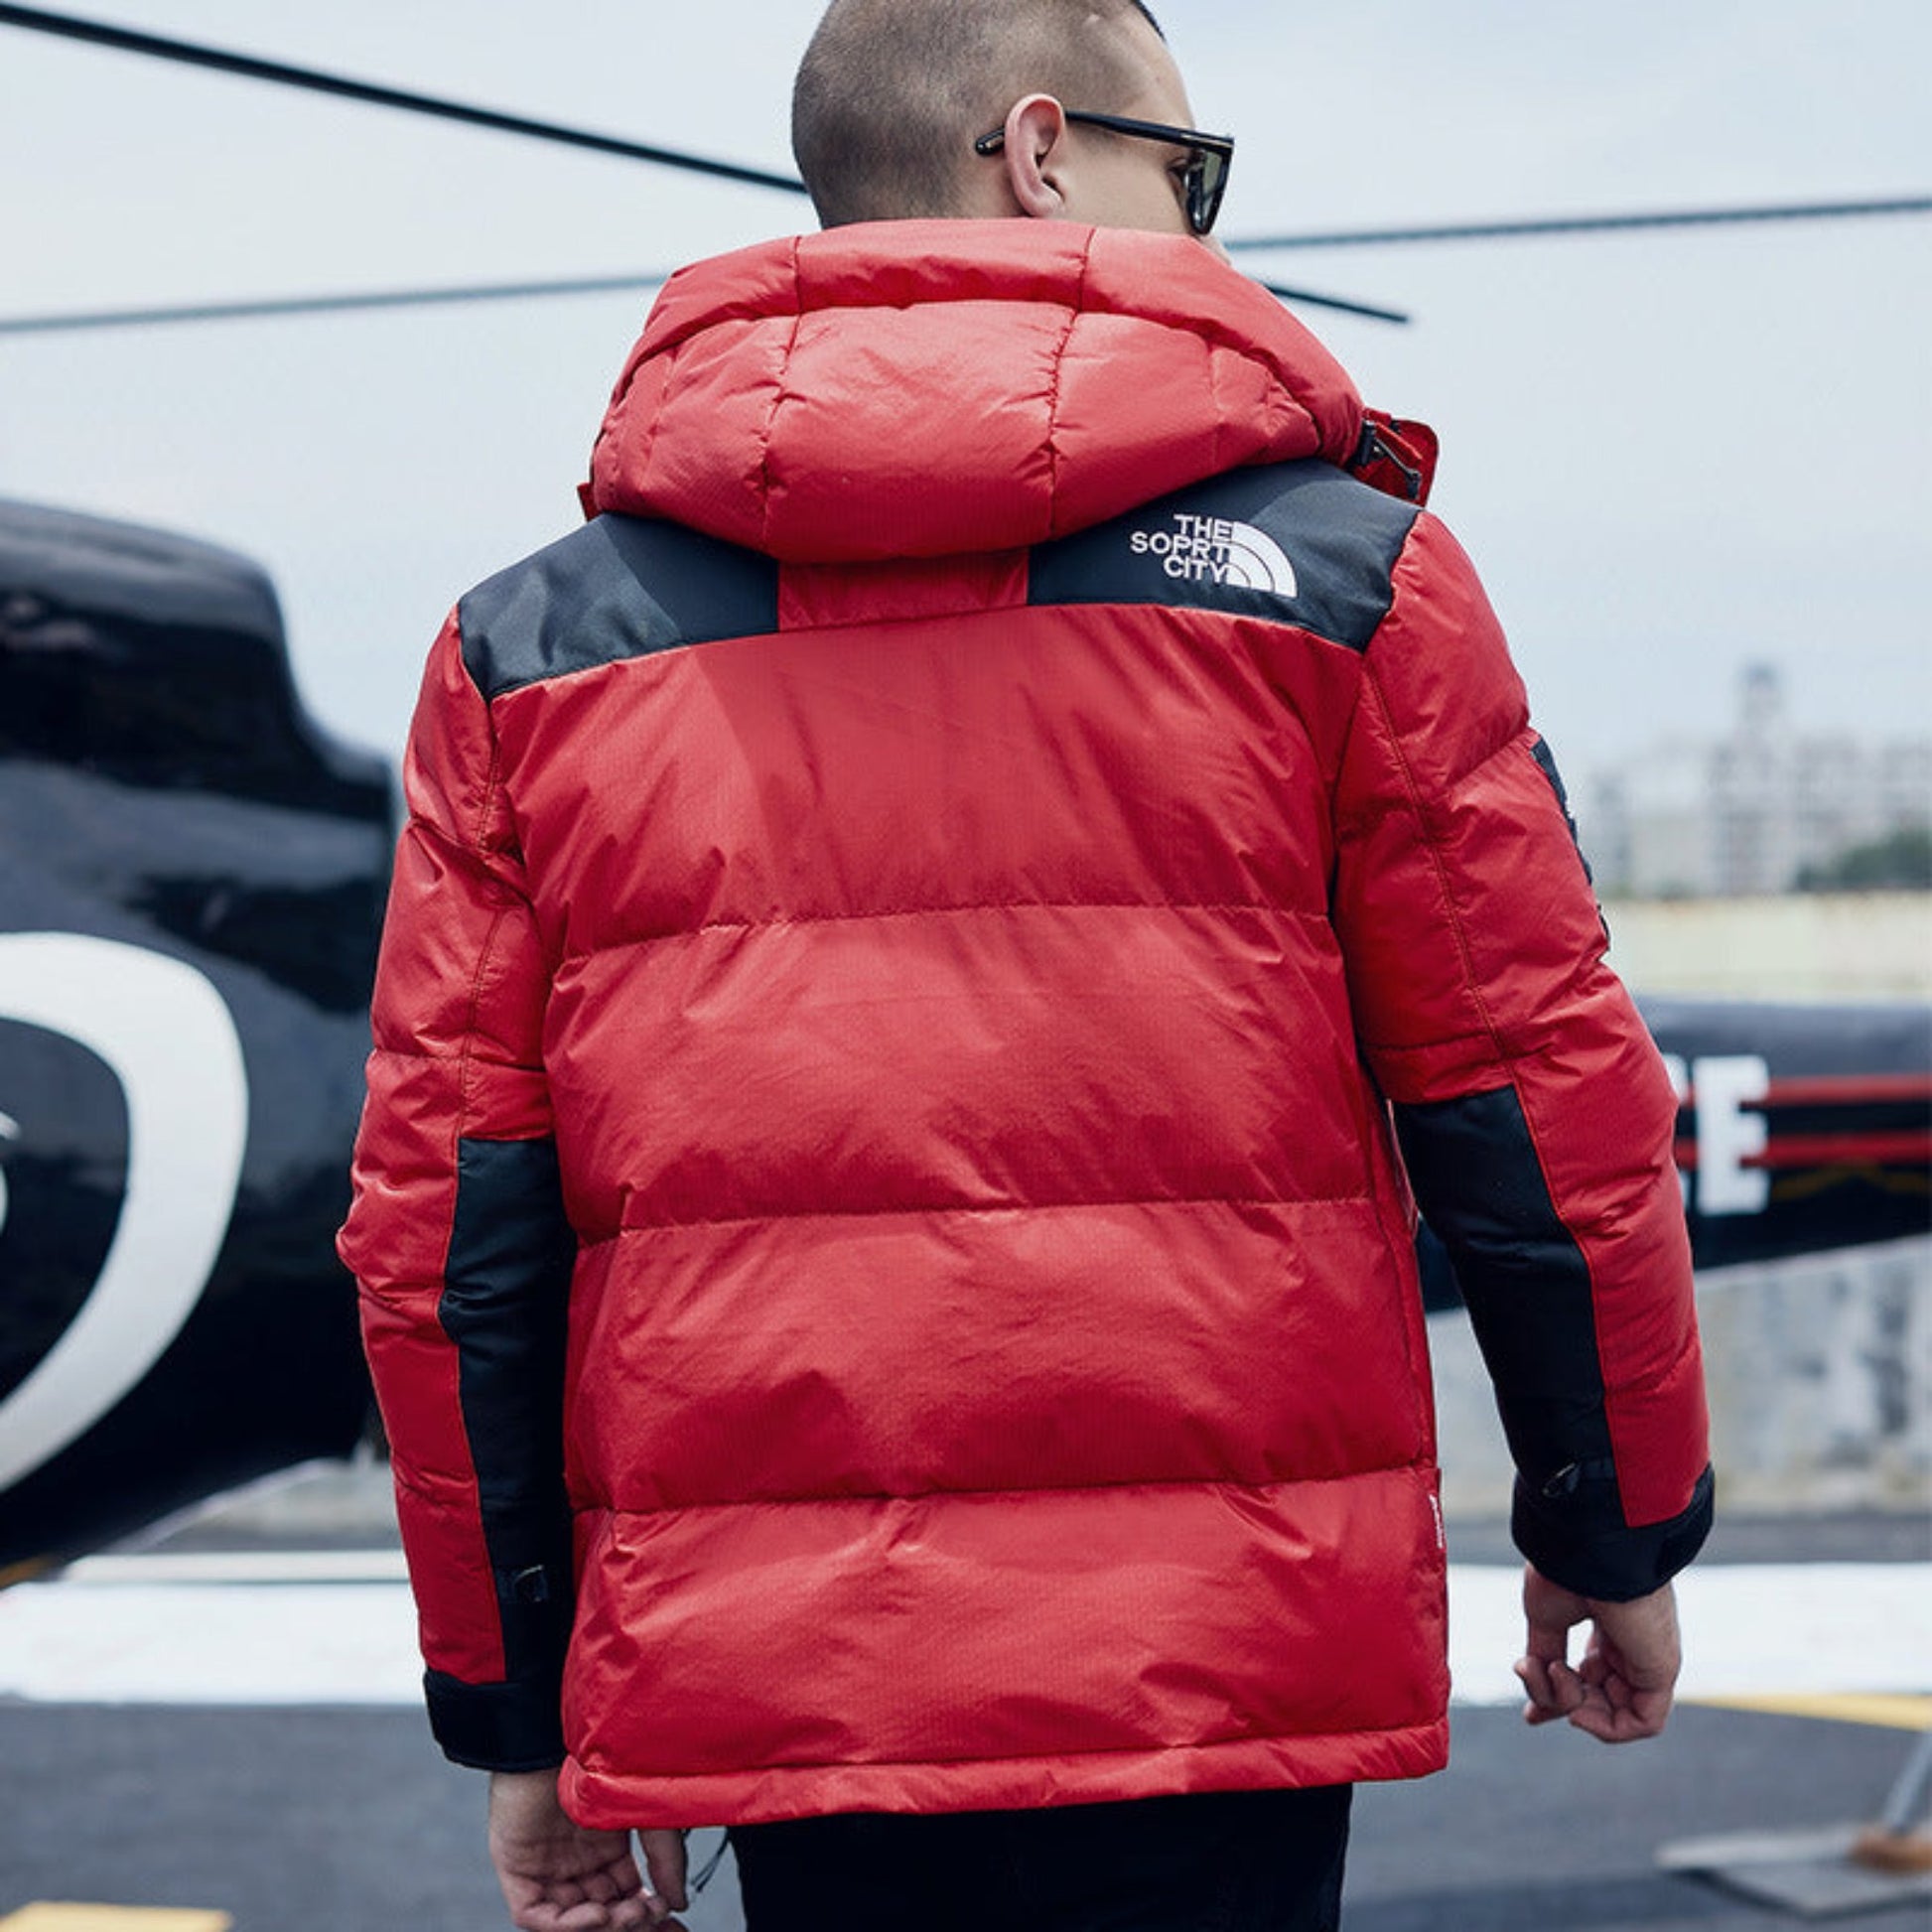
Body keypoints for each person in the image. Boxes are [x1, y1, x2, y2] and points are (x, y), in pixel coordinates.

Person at [338, 3, 1715, 1926]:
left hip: (785, 1664)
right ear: (1043, 148)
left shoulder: (528, 651)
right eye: (1195, 170)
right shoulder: (1353, 584)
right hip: (1221, 1651)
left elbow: (446, 1227)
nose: (1215, 227)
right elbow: (1543, 1106)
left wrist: (515, 1706)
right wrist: (1612, 1522)